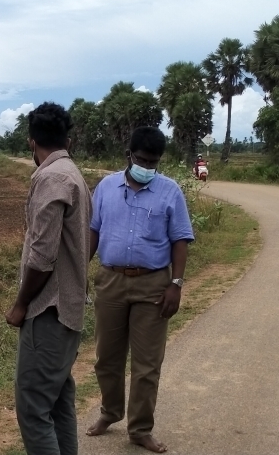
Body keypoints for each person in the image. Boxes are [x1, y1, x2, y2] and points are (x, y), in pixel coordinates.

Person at [84, 126, 195, 453]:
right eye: (142, 159)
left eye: (154, 162)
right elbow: (92, 232)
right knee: (107, 357)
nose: (147, 167)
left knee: (147, 364)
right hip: (111, 281)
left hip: (153, 285)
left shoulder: (170, 191)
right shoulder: (105, 187)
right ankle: (110, 412)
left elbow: (180, 240)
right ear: (128, 156)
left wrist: (176, 284)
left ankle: (140, 428)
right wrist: (79, 271)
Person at [5, 101, 91, 455]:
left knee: (32, 409)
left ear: (31, 142)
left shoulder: (51, 178)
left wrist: (21, 304)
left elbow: (42, 256)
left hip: (48, 310)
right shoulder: (73, 174)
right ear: (68, 140)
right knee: (57, 403)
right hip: (68, 308)